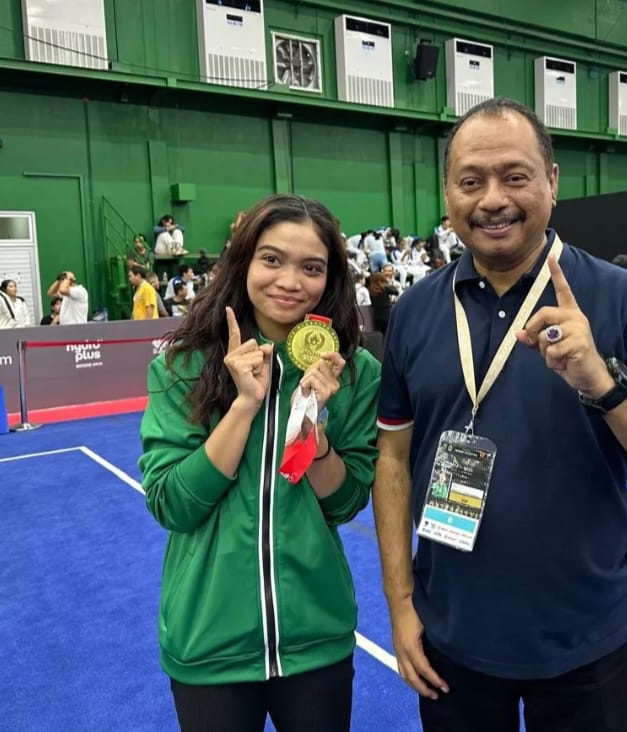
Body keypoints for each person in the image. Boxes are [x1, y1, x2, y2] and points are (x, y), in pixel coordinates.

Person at [372, 98, 627, 732]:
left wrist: (603, 383)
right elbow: (392, 461)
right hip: (452, 635)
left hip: (586, 640)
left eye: (515, 176)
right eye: (470, 181)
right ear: (447, 193)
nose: (492, 199)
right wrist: (399, 603)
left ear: (552, 182)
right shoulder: (415, 310)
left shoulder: (620, 298)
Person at [137, 193, 381, 732]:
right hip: (208, 642)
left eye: (311, 267)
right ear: (243, 261)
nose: (290, 281)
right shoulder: (183, 366)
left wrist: (312, 427)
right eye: (272, 259)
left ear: (331, 278)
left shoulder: (353, 372)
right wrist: (244, 405)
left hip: (316, 641)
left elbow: (344, 504)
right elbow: (173, 504)